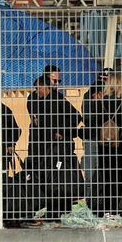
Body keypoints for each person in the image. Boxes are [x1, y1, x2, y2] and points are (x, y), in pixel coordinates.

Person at [26, 72, 83, 215]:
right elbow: (36, 121)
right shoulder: (33, 99)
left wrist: (61, 131)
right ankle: (44, 208)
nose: (36, 91)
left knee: (57, 180)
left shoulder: (58, 100)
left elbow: (76, 117)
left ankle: (58, 209)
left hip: (56, 149)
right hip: (40, 146)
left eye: (39, 88)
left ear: (46, 88)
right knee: (42, 178)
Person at [83, 71, 122, 216]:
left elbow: (93, 122)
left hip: (104, 147)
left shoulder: (101, 103)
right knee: (117, 179)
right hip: (119, 148)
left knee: (105, 178)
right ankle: (114, 210)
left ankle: (103, 208)